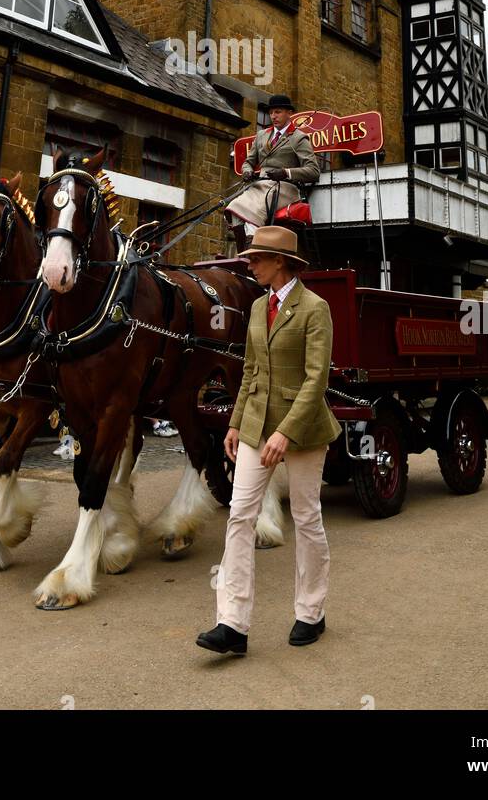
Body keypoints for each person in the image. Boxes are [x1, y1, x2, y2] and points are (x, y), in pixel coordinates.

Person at [196, 225, 340, 656]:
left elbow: (317, 380)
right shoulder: (259, 307)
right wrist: (237, 422)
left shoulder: (316, 309)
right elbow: (251, 371)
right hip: (258, 426)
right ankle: (232, 625)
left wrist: (286, 432)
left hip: (305, 430)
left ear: (280, 262)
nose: (249, 264)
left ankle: (311, 612)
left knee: (306, 517)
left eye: (256, 258)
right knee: (240, 515)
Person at [225, 94, 320, 246]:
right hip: (260, 185)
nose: (273, 116)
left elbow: (314, 171)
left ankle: (253, 246)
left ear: (289, 113)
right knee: (233, 207)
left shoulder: (298, 138)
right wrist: (247, 171)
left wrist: (286, 172)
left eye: (278, 112)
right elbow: (248, 162)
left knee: (253, 208)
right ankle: (243, 249)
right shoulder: (262, 135)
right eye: (271, 113)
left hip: (284, 187)